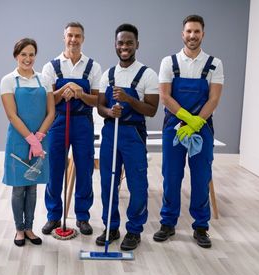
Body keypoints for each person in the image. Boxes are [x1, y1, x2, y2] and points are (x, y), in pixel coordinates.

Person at [153, 15, 224, 248]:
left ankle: (201, 226)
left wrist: (195, 123)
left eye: (196, 31)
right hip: (173, 128)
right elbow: (164, 96)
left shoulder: (214, 63)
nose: (192, 35)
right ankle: (168, 223)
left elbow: (214, 99)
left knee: (201, 177)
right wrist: (185, 118)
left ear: (203, 34)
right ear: (182, 34)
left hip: (202, 128)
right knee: (171, 176)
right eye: (188, 31)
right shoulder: (168, 62)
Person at [96, 23, 159, 251]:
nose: (125, 47)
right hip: (110, 132)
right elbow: (99, 106)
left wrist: (128, 99)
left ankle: (134, 230)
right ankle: (111, 227)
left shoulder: (148, 74)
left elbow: (151, 110)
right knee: (108, 183)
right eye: (121, 43)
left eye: (129, 43)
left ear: (137, 45)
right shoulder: (108, 74)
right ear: (115, 44)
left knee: (137, 183)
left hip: (133, 134)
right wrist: (109, 112)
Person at [41, 22, 102, 235]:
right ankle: (53, 216)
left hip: (83, 122)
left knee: (85, 168)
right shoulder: (51, 67)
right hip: (58, 121)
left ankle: (83, 216)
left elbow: (96, 101)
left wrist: (79, 93)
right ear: (64, 37)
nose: (73, 40)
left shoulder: (93, 67)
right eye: (70, 36)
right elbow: (48, 101)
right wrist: (63, 90)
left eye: (77, 36)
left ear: (83, 39)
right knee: (55, 168)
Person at [1, 38, 55, 247]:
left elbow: (51, 112)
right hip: (18, 140)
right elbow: (11, 115)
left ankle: (30, 228)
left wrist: (40, 137)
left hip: (40, 140)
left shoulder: (44, 80)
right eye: (23, 54)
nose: (28, 58)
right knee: (18, 187)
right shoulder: (8, 80)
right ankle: (19, 229)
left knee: (32, 187)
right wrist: (31, 139)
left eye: (31, 54)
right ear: (16, 56)